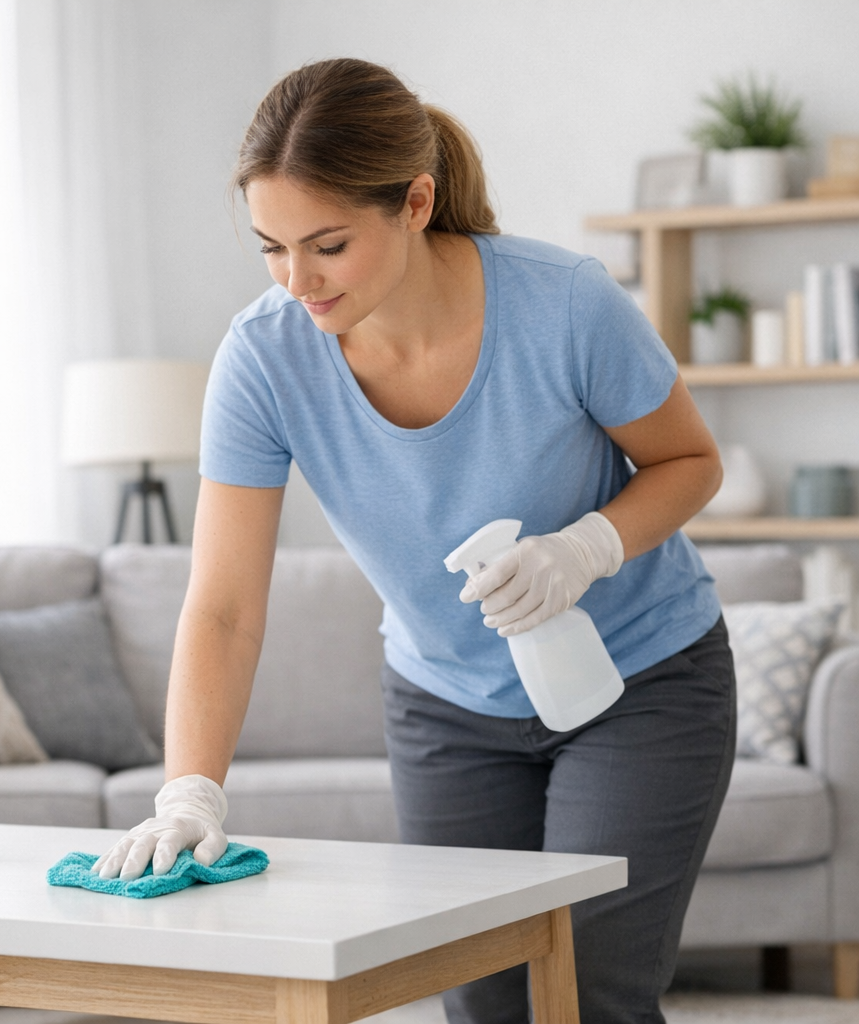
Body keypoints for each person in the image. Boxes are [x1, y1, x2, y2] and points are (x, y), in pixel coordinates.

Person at [93, 58, 736, 1024]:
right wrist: (190, 790)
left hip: (639, 685)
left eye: (328, 245)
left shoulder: (563, 304)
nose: (297, 280)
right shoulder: (265, 359)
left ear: (416, 202)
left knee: (591, 988)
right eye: (271, 247)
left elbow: (691, 460)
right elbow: (224, 607)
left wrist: (587, 549)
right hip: (448, 710)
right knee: (479, 1003)